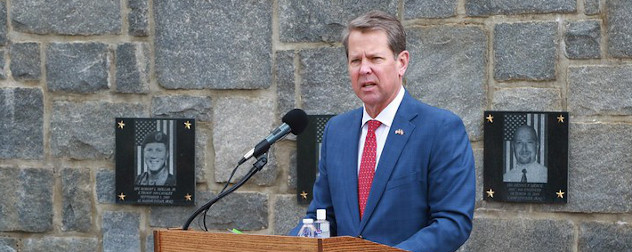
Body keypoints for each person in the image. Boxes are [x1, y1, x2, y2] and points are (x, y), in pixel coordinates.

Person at [289, 10, 475, 252]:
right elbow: (322, 217)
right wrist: (283, 245)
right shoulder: (337, 131)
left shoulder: (440, 129)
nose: (364, 69)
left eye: (375, 58)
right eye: (356, 60)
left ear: (402, 63)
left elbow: (452, 223)